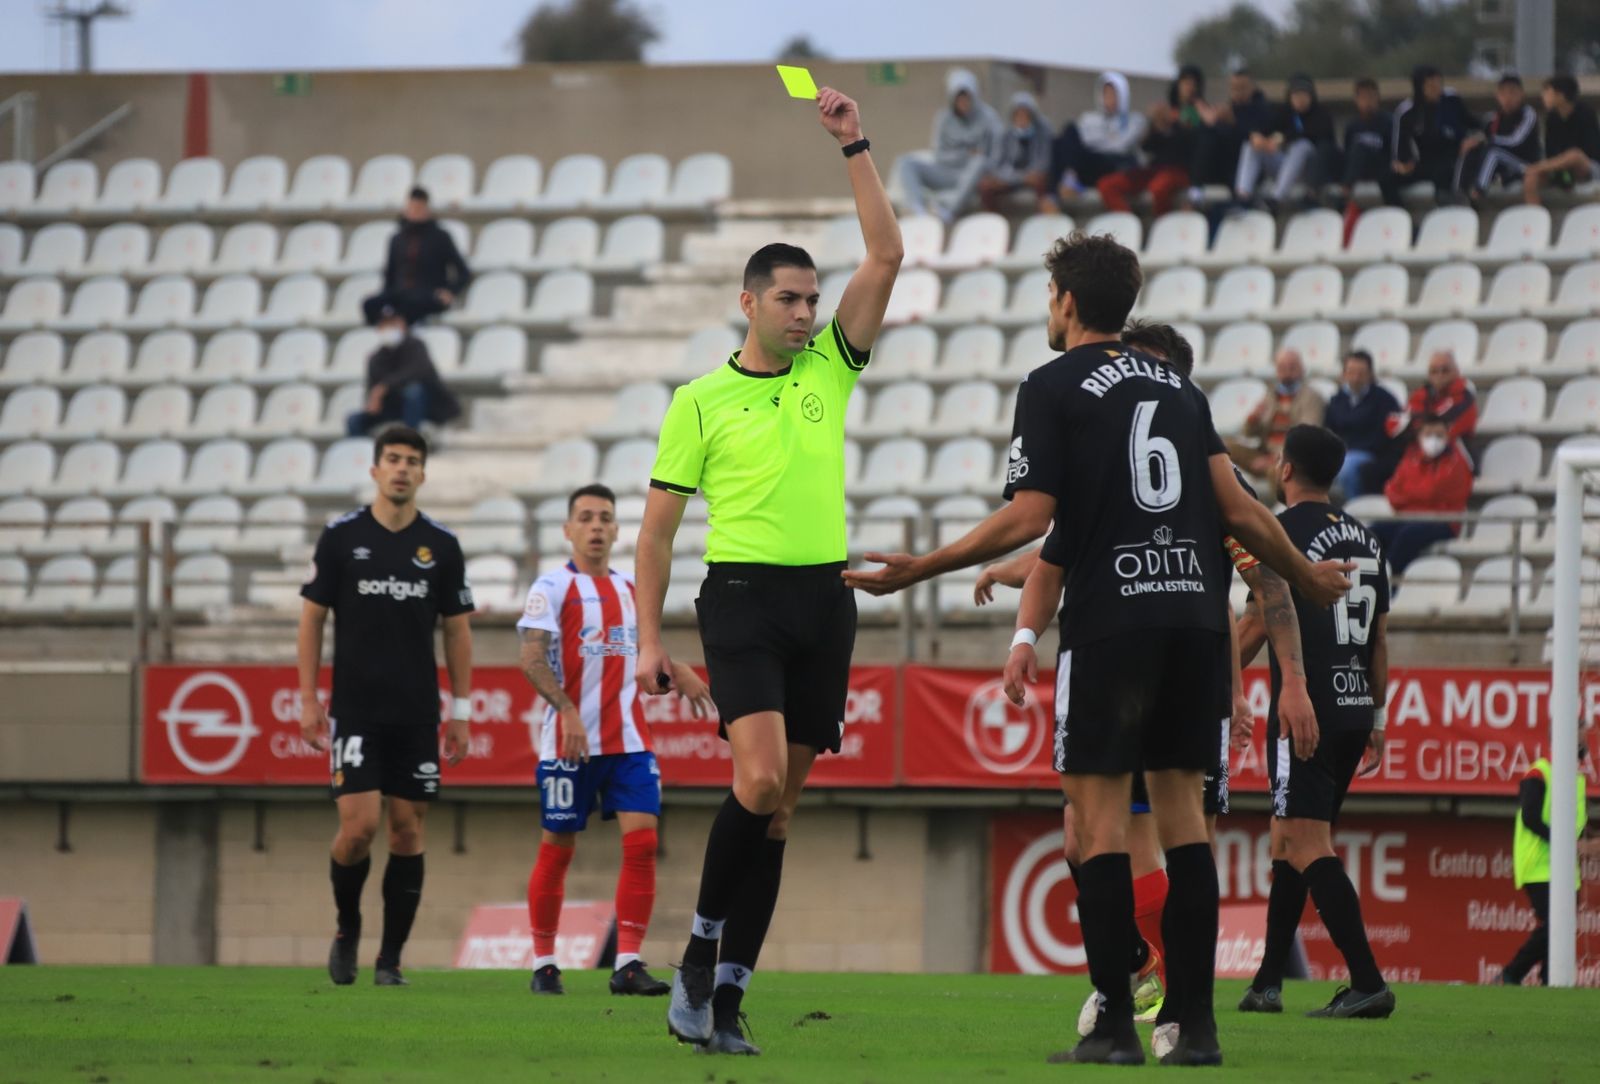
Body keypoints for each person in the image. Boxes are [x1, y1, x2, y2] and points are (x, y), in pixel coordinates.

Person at [843, 232, 1352, 1066]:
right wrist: (1305, 577)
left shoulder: (1050, 385)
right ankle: (1197, 1029)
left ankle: (1116, 1022)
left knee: (1097, 821)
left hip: (1112, 623)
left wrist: (924, 567)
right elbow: (1245, 511)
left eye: (1051, 298)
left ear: (1069, 303)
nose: (1050, 310)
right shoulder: (1180, 392)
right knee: (1187, 825)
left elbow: (1030, 517)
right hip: (1193, 622)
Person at [636, 85, 901, 1057]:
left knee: (780, 813)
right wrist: (646, 639)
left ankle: (731, 997)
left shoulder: (832, 366)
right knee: (753, 782)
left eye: (810, 300)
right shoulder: (697, 401)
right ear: (746, 302)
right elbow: (657, 534)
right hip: (740, 599)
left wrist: (854, 143)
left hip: (822, 603)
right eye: (786, 298)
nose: (803, 313)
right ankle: (698, 953)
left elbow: (886, 255)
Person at [979, 319, 1312, 1060]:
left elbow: (1260, 586)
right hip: (1164, 651)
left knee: (1165, 835)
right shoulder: (1150, 445)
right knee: (1095, 833)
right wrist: (1022, 619)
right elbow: (1064, 541)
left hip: (1163, 663)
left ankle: (1173, 1003)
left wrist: (1273, 686)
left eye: (1143, 366)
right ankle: (1140, 981)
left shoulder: (1201, 468)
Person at [519, 483, 715, 997]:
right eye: (585, 517)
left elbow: (642, 649)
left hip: (629, 741)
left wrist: (679, 669)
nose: (597, 526)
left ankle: (627, 963)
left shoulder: (631, 589)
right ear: (568, 530)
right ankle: (544, 962)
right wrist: (566, 710)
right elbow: (530, 658)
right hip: (569, 745)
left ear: (617, 529)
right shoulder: (551, 588)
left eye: (605, 517)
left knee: (644, 842)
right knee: (558, 848)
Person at [297, 425, 474, 987]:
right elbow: (312, 616)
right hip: (355, 710)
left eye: (412, 461)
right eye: (392, 459)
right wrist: (308, 697)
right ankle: (348, 927)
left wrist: (462, 711)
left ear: (423, 474)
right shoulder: (342, 537)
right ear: (375, 470)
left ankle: (390, 959)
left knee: (407, 831)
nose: (401, 468)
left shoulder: (441, 546)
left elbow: (457, 632)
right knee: (359, 828)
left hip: (417, 712)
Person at [1230, 425, 1395, 1019]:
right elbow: (1378, 637)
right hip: (1354, 710)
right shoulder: (1370, 541)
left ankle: (1368, 981)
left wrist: (1213, 681)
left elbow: (1254, 623)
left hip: (1308, 710)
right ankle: (1269, 982)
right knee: (1289, 840)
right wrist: (1377, 717)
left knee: (1304, 841)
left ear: (1285, 469)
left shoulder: (1280, 532)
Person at [1501, 738, 1593, 985]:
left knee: (1561, 929)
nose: (1585, 740)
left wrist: (1583, 845)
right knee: (1554, 925)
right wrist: (1564, 844)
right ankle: (1511, 974)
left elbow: (1577, 828)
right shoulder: (1539, 772)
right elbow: (1530, 817)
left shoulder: (1578, 781)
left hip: (1566, 869)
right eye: (1579, 732)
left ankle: (1549, 981)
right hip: (1538, 865)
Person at [897, 68, 1001, 222]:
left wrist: (981, 162)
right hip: (947, 172)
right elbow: (939, 155)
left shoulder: (989, 118)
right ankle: (917, 209)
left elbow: (995, 155)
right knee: (905, 162)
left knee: (979, 161)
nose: (963, 103)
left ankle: (949, 210)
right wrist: (965, 155)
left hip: (974, 175)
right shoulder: (943, 119)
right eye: (959, 99)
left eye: (967, 98)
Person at [1376, 416, 1474, 575]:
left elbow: (1433, 490)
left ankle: (1390, 581)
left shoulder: (1457, 461)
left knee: (1407, 535)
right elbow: (1392, 491)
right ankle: (1371, 579)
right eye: (1429, 434)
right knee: (1374, 533)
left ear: (1447, 435)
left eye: (1439, 435)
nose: (1434, 440)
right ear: (1419, 435)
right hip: (1408, 517)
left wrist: (1409, 494)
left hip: (1443, 521)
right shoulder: (1411, 457)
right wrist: (1418, 494)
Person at [361, 187, 472, 326]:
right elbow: (390, 273)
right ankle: (388, 332)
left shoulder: (440, 237)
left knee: (411, 305)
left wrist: (450, 291)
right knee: (370, 305)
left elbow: (463, 272)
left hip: (428, 294)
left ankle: (399, 330)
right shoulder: (397, 239)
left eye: (419, 208)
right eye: (412, 208)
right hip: (400, 293)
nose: (415, 212)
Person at [1226, 349, 1326, 500]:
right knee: (1223, 447)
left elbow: (1305, 437)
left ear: (1302, 369)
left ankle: (1282, 513)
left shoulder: (1312, 397)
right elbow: (1249, 433)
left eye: (1292, 367)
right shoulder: (1271, 394)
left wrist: (1275, 458)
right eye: (1282, 368)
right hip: (1264, 452)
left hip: (1292, 459)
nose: (1287, 372)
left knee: (1275, 470)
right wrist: (1253, 420)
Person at [346, 306, 462, 437]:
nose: (389, 329)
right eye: (385, 325)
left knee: (413, 391)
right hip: (392, 408)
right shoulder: (376, 358)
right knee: (354, 420)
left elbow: (418, 371)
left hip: (427, 408)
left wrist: (384, 387)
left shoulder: (416, 346)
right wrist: (371, 403)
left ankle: (409, 441)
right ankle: (362, 453)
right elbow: (373, 390)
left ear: (403, 324)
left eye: (393, 324)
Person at [1235, 74, 1337, 208]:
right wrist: (1258, 137)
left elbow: (1312, 135)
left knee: (1302, 145)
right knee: (1250, 146)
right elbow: (1264, 129)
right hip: (1284, 168)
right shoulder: (1284, 112)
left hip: (1308, 171)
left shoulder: (1321, 114)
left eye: (1303, 95)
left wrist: (1281, 140)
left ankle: (1276, 198)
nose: (1299, 100)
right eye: (1296, 96)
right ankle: (1243, 195)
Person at [1052, 72, 1147, 201]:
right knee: (1064, 137)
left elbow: (1120, 146)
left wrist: (1098, 140)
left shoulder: (1133, 120)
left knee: (1083, 154)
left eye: (1114, 94)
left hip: (1116, 164)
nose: (1109, 98)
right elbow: (1081, 141)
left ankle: (1069, 184)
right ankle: (1067, 183)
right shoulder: (1090, 118)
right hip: (1093, 161)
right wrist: (1106, 138)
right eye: (1106, 94)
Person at [1097, 96, 1194, 218]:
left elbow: (1184, 147)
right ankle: (1129, 226)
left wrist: (1171, 124)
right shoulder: (1153, 129)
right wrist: (1155, 125)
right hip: (1152, 170)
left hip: (1176, 171)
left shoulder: (1184, 124)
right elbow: (1145, 148)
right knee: (1107, 184)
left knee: (1159, 188)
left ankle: (1163, 229)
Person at [1324, 350, 1401, 499]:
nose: (1356, 378)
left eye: (1361, 373)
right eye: (1351, 372)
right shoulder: (1336, 400)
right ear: (1344, 374)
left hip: (1370, 454)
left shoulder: (1384, 400)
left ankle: (1356, 511)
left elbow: (1384, 436)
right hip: (1341, 453)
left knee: (1347, 468)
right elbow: (1329, 431)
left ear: (1370, 374)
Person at [1189, 66, 1270, 204]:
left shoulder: (1262, 109)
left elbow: (1254, 138)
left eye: (1242, 87)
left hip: (1247, 168)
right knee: (1207, 136)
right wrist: (1212, 121)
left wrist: (1233, 122)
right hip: (1224, 164)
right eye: (1234, 88)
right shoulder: (1229, 108)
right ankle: (1196, 188)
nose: (1237, 92)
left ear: (1252, 87)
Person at [1457, 73, 1541, 202]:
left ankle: (1479, 191)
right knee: (1471, 150)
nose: (1508, 98)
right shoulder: (1493, 117)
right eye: (1503, 93)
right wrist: (1474, 141)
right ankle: (1461, 192)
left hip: (1524, 164)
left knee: (1493, 152)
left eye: (1513, 93)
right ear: (1497, 96)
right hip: (1503, 164)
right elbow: (1483, 137)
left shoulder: (1528, 114)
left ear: (1521, 94)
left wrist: (1487, 140)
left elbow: (1516, 141)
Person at [1393, 65, 1472, 197]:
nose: (1437, 90)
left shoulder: (1451, 100)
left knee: (1443, 175)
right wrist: (1403, 163)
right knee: (1388, 178)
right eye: (1431, 86)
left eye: (1439, 84)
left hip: (1453, 159)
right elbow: (1401, 147)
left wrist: (1473, 139)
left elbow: (1473, 124)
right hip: (1424, 162)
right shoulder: (1408, 112)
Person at [1522, 75, 1600, 207]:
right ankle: (1537, 217)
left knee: (1574, 154)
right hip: (1560, 167)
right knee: (1531, 177)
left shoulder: (1585, 113)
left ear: (1560, 95)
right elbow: (1550, 153)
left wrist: (1539, 167)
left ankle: (1537, 168)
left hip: (1587, 167)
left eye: (1547, 91)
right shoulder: (1552, 118)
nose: (1543, 96)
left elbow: (1588, 154)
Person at [978, 92, 1056, 214]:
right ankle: (993, 221)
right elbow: (997, 165)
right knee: (986, 185)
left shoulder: (1042, 133)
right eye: (1018, 114)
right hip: (1011, 177)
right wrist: (1020, 177)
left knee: (1042, 181)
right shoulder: (1005, 135)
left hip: (1033, 177)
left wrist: (1030, 175)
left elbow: (1043, 164)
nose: (1022, 118)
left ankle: (1041, 220)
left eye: (1025, 114)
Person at [1338, 78, 1399, 211]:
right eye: (1363, 98)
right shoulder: (1352, 126)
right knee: (1357, 149)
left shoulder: (1388, 122)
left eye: (1371, 97)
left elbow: (1394, 150)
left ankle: (1346, 191)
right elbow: (1348, 152)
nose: (1368, 102)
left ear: (1378, 98)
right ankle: (1344, 195)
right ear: (1356, 100)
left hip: (1381, 167)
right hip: (1359, 171)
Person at [1403, 350, 1477, 442]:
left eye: (1445, 370)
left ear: (1457, 371)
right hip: (1418, 452)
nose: (1439, 375)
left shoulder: (1464, 399)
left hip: (1454, 452)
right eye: (1434, 371)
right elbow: (1406, 425)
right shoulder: (1419, 395)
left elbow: (1444, 432)